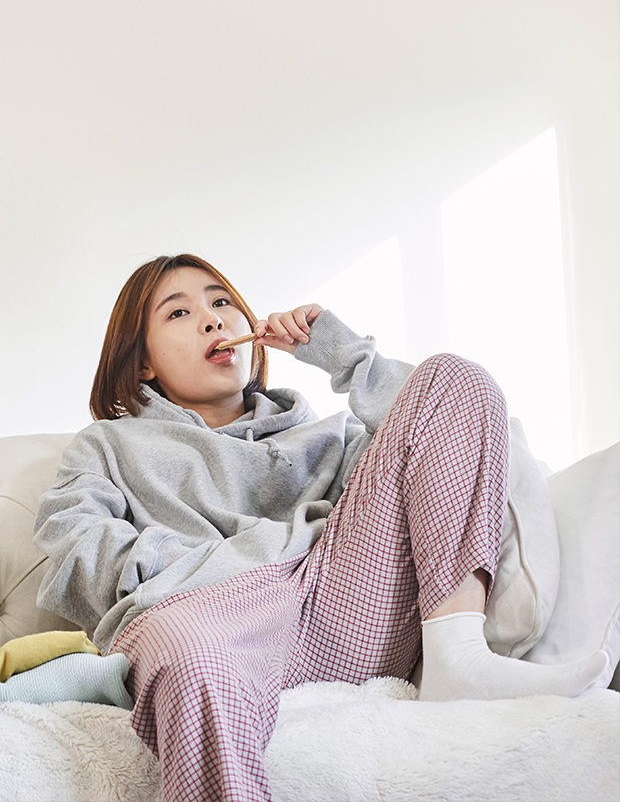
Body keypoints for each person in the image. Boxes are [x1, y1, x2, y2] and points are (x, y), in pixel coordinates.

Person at [33, 253, 608, 802]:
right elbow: (74, 541)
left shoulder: (327, 434)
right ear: (143, 362)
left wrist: (342, 355)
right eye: (179, 312)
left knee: (456, 377)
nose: (213, 319)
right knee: (189, 657)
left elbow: (436, 443)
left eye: (222, 302)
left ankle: (457, 656)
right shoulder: (108, 443)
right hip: (207, 615)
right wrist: (203, 567)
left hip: (341, 603)